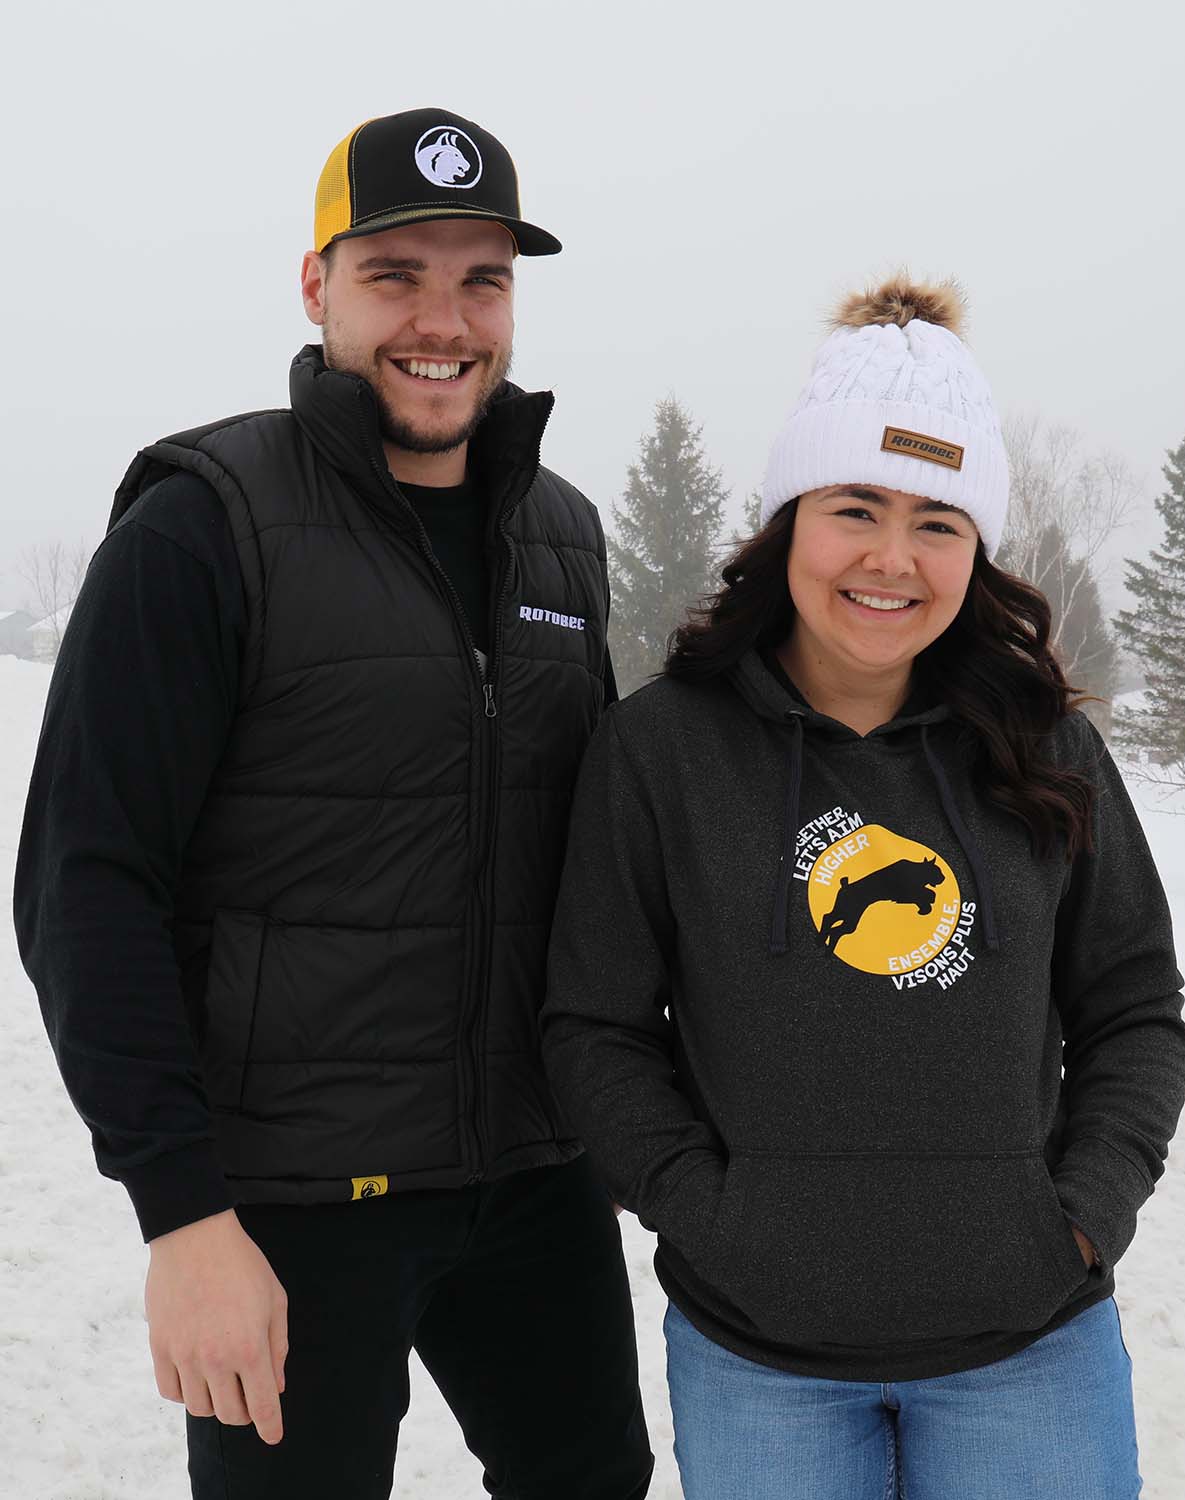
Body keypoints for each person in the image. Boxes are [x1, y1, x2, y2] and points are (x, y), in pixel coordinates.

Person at [15, 107, 651, 1500]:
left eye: (482, 280)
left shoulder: (562, 534)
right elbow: (86, 884)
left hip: (532, 1175)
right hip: (292, 1204)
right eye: (395, 275)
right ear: (318, 288)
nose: (444, 321)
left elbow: (599, 855)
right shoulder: (204, 522)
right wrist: (182, 1216)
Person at [540, 276, 1185, 1499]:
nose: (893, 559)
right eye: (856, 509)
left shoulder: (1046, 747)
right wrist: (710, 1215)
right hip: (761, 1361)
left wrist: (1083, 1214)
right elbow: (594, 1025)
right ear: (791, 520)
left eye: (939, 521)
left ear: (975, 551)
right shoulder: (660, 750)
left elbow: (1135, 1010)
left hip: (1030, 1351)